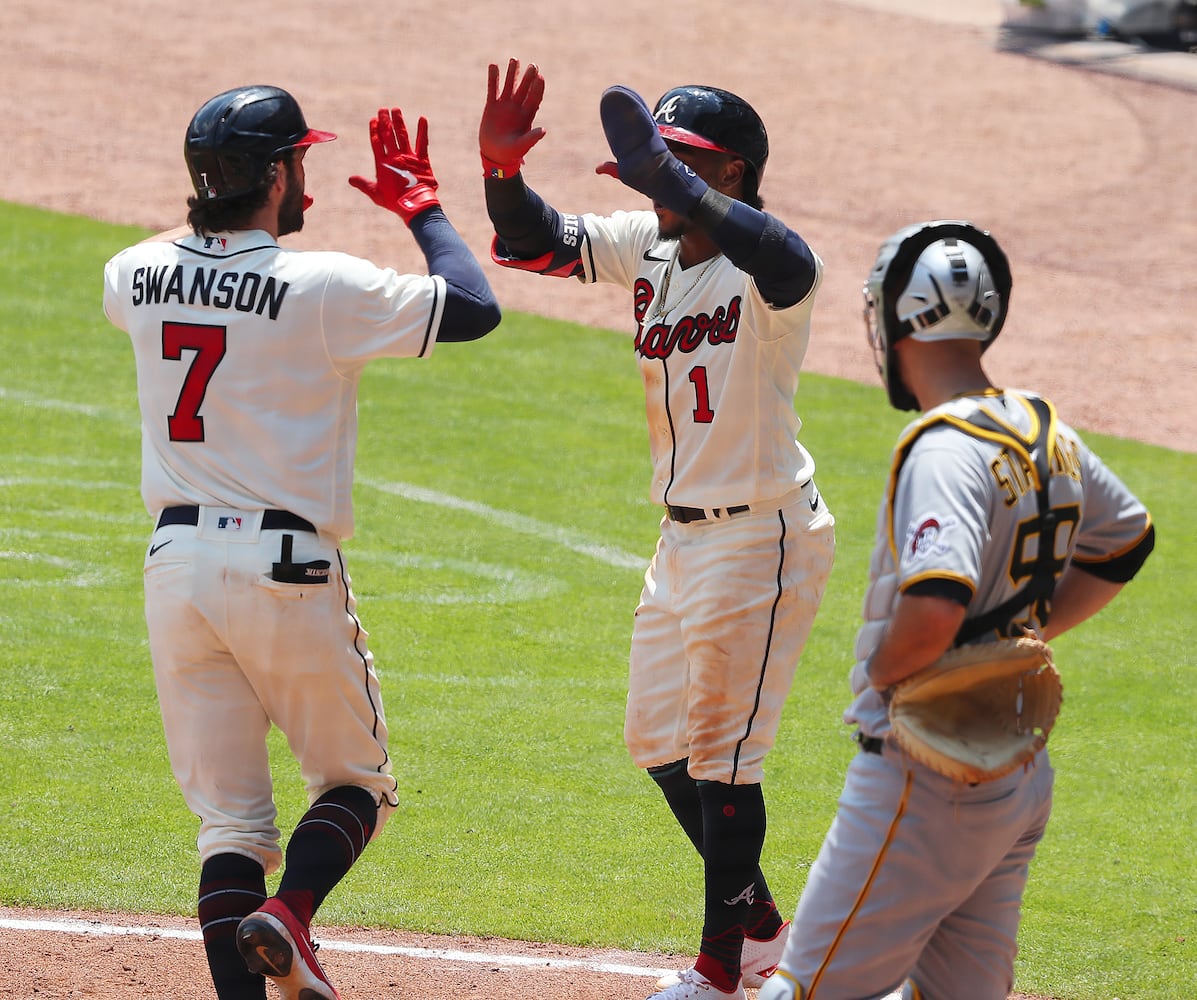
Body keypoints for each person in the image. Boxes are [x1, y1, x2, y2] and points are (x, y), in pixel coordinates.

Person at [102, 85, 500, 1000]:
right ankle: (290, 914)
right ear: (277, 174)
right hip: (285, 566)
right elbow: (472, 305)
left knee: (230, 828)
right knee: (358, 786)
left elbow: (182, 267)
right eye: (300, 162)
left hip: (176, 569)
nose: (307, 178)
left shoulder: (133, 272)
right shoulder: (322, 287)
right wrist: (421, 208)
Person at [478, 59, 837, 1000]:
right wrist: (501, 171)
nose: (653, 178)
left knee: (723, 760)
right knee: (657, 744)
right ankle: (760, 928)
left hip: (760, 537)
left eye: (676, 160)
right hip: (681, 541)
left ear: (729, 173)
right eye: (651, 157)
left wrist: (671, 181)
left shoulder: (766, 274)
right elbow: (534, 242)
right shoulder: (650, 245)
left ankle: (720, 971)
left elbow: (791, 259)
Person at [758, 221, 1156, 1000]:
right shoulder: (1043, 427)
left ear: (899, 318)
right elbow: (1126, 540)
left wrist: (886, 669)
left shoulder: (941, 448)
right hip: (1015, 771)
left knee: (804, 991)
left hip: (921, 776)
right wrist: (1025, 633)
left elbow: (936, 604)